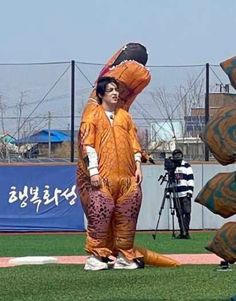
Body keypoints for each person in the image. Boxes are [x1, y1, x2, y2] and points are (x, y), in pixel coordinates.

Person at [77, 76, 144, 271]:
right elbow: (87, 145)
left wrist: (138, 166)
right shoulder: (92, 117)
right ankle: (97, 256)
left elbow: (134, 144)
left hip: (127, 179)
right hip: (103, 178)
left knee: (128, 216)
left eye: (116, 90)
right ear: (100, 95)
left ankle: (125, 255)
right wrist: (93, 171)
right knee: (100, 215)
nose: (115, 93)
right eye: (110, 90)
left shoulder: (125, 117)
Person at [171, 148, 194, 239]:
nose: (177, 157)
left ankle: (186, 231)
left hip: (185, 194)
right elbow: (170, 180)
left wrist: (190, 191)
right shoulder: (172, 166)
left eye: (178, 155)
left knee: (187, 212)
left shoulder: (187, 166)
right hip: (176, 194)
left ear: (181, 155)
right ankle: (182, 231)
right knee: (179, 213)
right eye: (175, 155)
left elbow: (190, 179)